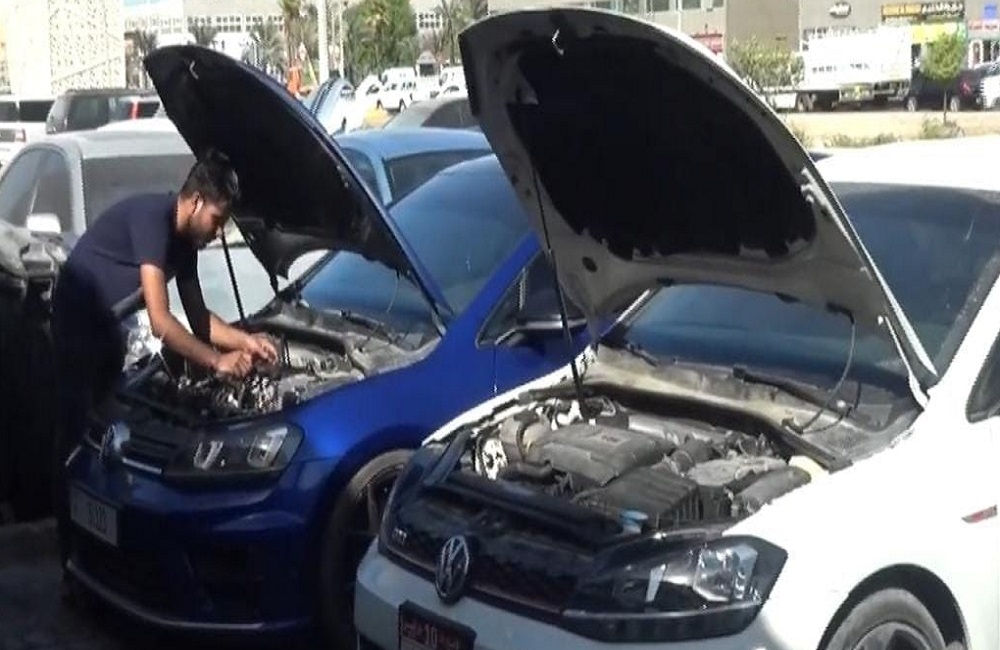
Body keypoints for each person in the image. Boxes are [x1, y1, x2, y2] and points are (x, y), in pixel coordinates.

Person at [50, 149, 278, 582]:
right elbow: (160, 320)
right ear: (196, 202)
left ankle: (114, 554)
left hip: (107, 329)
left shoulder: (185, 245)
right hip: (75, 323)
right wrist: (217, 361)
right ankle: (70, 565)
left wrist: (247, 341)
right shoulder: (153, 220)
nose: (217, 232)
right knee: (77, 437)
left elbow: (198, 319)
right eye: (217, 220)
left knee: (113, 435)